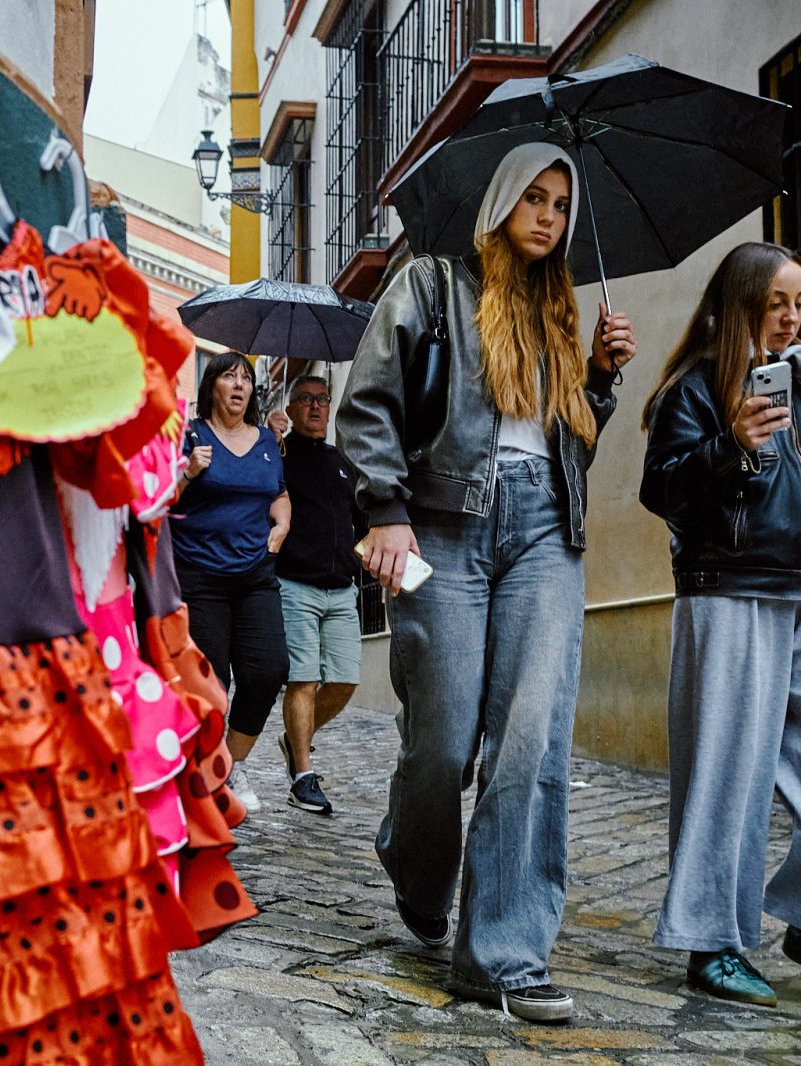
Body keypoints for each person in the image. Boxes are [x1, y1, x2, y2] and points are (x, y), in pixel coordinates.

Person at [336, 141, 636, 1023]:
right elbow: (369, 402)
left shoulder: (562, 317)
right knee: (441, 742)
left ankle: (502, 954)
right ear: (503, 201)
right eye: (534, 198)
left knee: (529, 740)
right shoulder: (431, 286)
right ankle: (416, 863)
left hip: (544, 528)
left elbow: (570, 447)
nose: (548, 217)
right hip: (442, 524)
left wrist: (601, 380)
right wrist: (385, 509)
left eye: (560, 205)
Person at [640, 241, 801, 1010]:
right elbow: (662, 491)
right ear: (742, 303)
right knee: (728, 779)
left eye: (800, 303)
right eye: (776, 302)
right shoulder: (694, 390)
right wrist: (732, 446)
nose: (791, 318)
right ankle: (712, 944)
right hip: (732, 594)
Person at [172, 351, 291, 810]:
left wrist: (282, 524)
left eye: (245, 378)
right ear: (212, 387)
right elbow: (160, 498)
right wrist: (188, 472)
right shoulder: (191, 435)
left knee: (268, 670)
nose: (239, 385)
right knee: (211, 683)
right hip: (199, 575)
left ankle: (230, 763)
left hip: (255, 574)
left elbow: (278, 494)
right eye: (229, 377)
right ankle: (200, 773)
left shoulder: (266, 441)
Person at [273, 374, 363, 815]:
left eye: (322, 399)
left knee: (344, 681)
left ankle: (295, 738)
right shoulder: (279, 454)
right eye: (305, 399)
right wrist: (269, 436)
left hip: (342, 590)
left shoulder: (342, 461)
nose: (315, 406)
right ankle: (303, 776)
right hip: (295, 585)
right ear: (290, 409)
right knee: (303, 679)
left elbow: (361, 523)